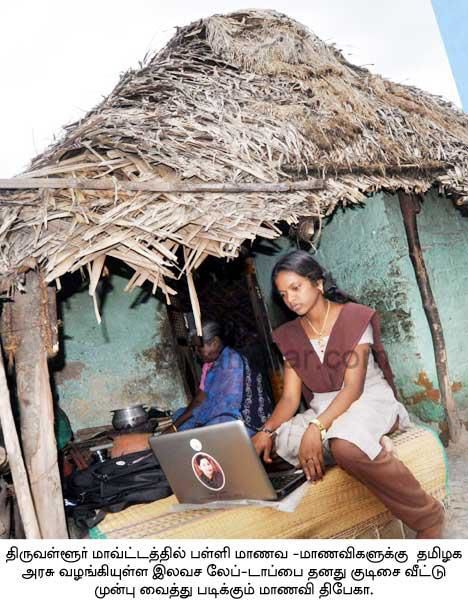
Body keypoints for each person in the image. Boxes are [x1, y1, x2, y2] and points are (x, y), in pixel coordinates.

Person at [252, 250, 444, 539]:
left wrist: (316, 428)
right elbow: (291, 398)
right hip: (324, 408)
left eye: (296, 287)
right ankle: (370, 443)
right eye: (283, 294)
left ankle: (428, 516)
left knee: (344, 446)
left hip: (367, 398)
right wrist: (266, 430)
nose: (290, 298)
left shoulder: (353, 318)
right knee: (273, 448)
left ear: (318, 283)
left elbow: (353, 388)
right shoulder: (290, 335)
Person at [171, 320, 272, 435]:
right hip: (224, 414)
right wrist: (175, 426)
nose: (196, 353)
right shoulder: (214, 364)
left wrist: (199, 425)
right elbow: (203, 399)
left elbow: (228, 406)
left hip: (244, 419)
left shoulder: (231, 363)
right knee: (180, 415)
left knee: (206, 430)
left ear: (215, 342)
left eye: (199, 348)